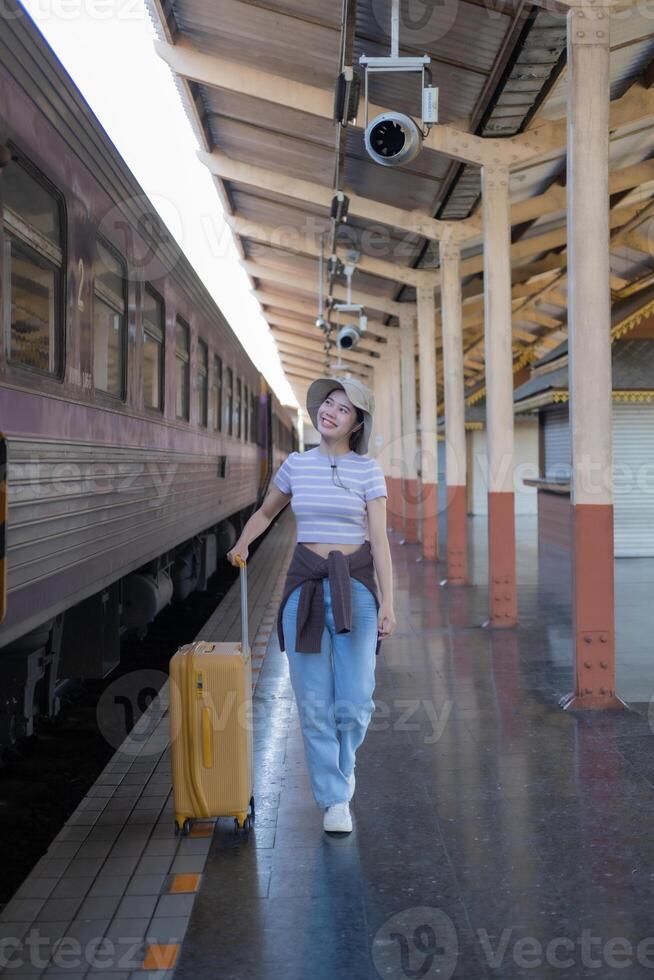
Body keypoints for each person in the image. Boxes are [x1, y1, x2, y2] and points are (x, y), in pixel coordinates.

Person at [227, 376, 396, 834]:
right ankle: (334, 798)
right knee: (314, 701)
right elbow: (266, 513)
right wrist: (242, 543)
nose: (330, 411)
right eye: (328, 403)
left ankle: (343, 767)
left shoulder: (368, 472)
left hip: (355, 589)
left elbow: (379, 541)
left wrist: (389, 603)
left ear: (356, 423)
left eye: (343, 409)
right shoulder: (296, 466)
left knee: (356, 700)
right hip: (303, 589)